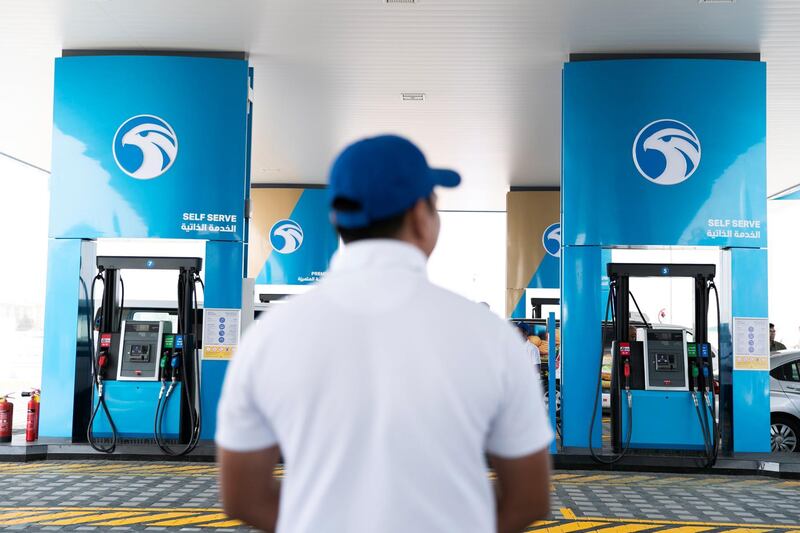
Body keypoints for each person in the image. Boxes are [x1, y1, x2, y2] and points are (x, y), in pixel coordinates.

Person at [216, 135, 553, 533]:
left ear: (338, 219)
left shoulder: (268, 338)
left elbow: (241, 495)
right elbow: (530, 497)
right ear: (418, 214)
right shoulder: (491, 337)